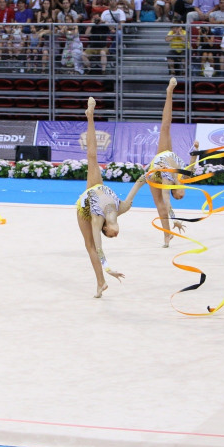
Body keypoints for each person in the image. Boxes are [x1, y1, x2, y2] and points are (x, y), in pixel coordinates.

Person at [77, 97, 146, 299]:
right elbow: (138, 184)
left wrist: (108, 268)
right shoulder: (122, 209)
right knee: (93, 156)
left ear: (106, 229)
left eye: (111, 235)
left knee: (90, 246)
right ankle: (90, 116)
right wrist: (147, 176)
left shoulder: (98, 220)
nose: (115, 234)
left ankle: (100, 281)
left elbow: (99, 248)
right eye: (115, 235)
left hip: (85, 207)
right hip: (96, 189)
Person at [145, 77, 201, 247]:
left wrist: (175, 219)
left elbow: (167, 203)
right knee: (167, 126)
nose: (183, 194)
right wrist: (196, 150)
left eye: (180, 196)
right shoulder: (182, 179)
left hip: (155, 175)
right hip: (168, 158)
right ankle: (170, 92)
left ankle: (166, 237)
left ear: (176, 193)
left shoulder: (168, 186)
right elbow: (191, 166)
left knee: (161, 208)